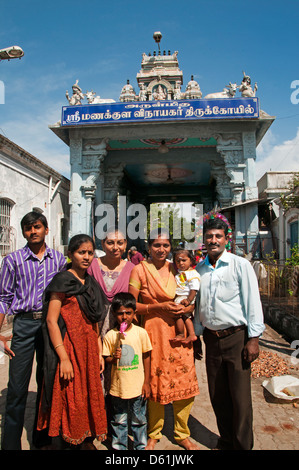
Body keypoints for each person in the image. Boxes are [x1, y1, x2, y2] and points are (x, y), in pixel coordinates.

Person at [196, 217, 265, 450]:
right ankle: (226, 441)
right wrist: (197, 336)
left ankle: (243, 445)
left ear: (227, 239)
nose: (213, 240)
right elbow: (198, 306)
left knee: (241, 398)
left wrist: (253, 339)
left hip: (237, 338)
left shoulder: (240, 265)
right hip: (211, 340)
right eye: (209, 236)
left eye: (218, 236)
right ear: (203, 240)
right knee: (218, 395)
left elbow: (252, 302)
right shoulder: (199, 270)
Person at [0, 212, 66, 450]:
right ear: (24, 232)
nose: (33, 231)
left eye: (37, 227)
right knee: (17, 387)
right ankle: (10, 444)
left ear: (46, 230)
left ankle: (41, 438)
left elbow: (65, 297)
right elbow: (3, 298)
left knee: (46, 382)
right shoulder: (12, 260)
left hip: (50, 325)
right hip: (24, 325)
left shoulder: (58, 260)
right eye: (28, 228)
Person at [129, 229, 200, 451]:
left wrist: (190, 306)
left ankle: (181, 433)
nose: (161, 250)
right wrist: (157, 306)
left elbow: (192, 293)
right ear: (149, 247)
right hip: (153, 332)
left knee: (184, 380)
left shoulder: (177, 268)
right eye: (157, 245)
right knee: (154, 383)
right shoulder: (139, 271)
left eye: (166, 245)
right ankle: (154, 433)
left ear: (171, 248)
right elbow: (131, 306)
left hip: (179, 332)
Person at [37, 234, 107, 449]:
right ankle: (70, 438)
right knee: (71, 397)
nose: (86, 257)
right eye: (81, 252)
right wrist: (64, 358)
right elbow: (50, 320)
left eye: (89, 252)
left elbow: (95, 321)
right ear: (70, 254)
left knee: (88, 394)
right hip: (69, 347)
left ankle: (86, 438)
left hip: (88, 348)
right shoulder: (62, 280)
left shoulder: (91, 282)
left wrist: (98, 351)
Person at [87, 226, 134, 434]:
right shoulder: (92, 266)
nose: (115, 247)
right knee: (96, 370)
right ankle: (97, 421)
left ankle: (117, 424)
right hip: (93, 324)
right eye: (110, 242)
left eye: (120, 243)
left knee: (118, 370)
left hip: (119, 326)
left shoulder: (132, 268)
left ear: (125, 245)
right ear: (102, 244)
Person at [102, 292, 152, 450]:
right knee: (119, 420)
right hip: (118, 389)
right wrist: (114, 357)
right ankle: (119, 447)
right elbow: (106, 359)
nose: (124, 317)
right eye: (120, 313)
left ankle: (140, 447)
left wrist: (147, 382)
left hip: (137, 387)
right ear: (114, 314)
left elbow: (146, 356)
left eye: (128, 313)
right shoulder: (111, 336)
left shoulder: (140, 333)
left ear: (134, 313)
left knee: (139, 420)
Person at [172, 248, 200, 345]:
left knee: (180, 315)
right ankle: (189, 334)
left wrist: (188, 300)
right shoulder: (180, 273)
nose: (181, 263)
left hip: (186, 297)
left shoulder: (192, 274)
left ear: (191, 260)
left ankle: (183, 334)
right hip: (180, 297)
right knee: (183, 316)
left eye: (184, 260)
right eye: (178, 261)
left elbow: (194, 289)